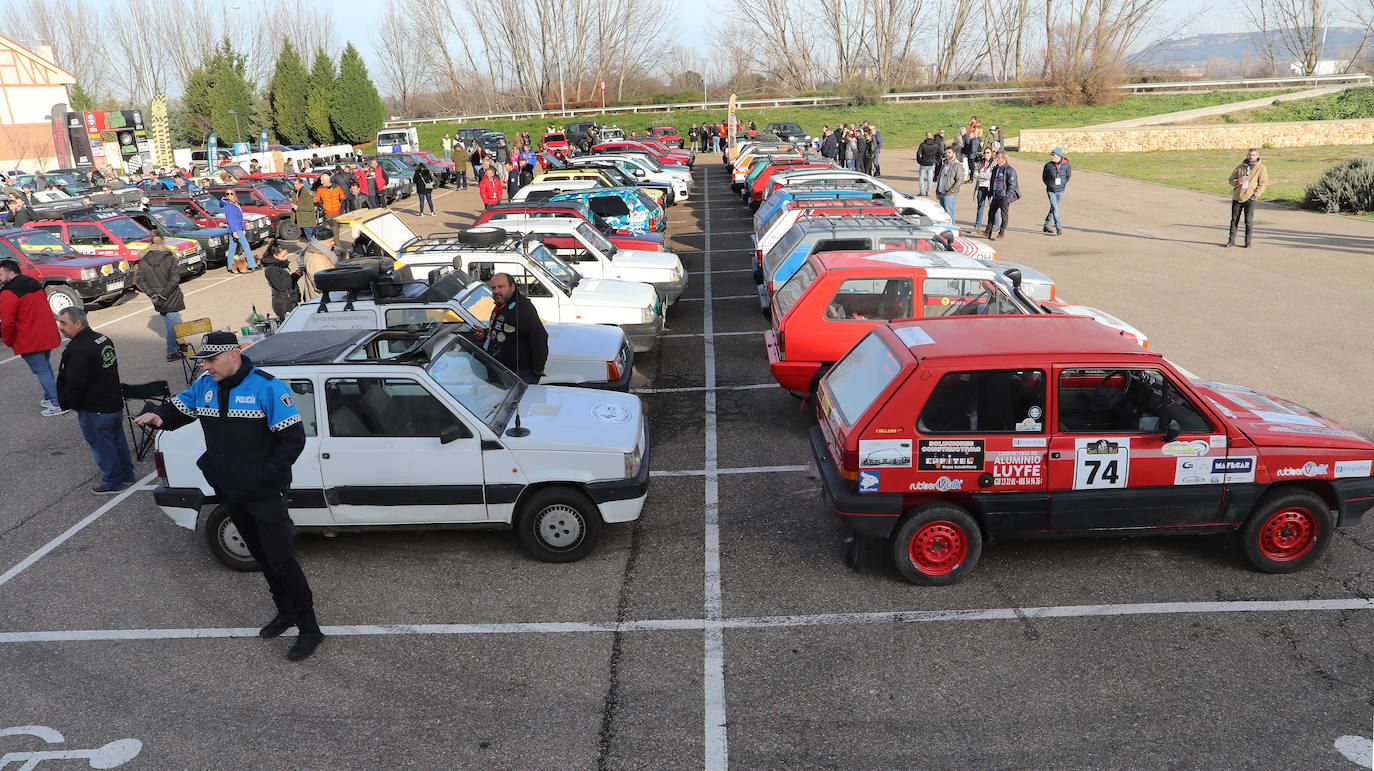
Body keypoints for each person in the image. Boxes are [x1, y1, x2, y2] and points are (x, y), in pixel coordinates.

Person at [134, 331, 322, 660]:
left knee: (282, 561)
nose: (206, 367)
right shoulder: (205, 385)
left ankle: (310, 629)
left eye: (211, 360)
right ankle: (285, 612)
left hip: (264, 493)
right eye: (203, 361)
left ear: (233, 355)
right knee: (262, 558)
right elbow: (180, 408)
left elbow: (292, 439)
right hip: (230, 491)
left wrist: (265, 477)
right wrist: (159, 415)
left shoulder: (268, 387)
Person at [55, 307, 135, 493]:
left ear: (78, 323)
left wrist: (70, 404)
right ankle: (127, 475)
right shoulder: (103, 339)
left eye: (63, 323)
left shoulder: (77, 350)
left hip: (95, 409)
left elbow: (75, 384)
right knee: (118, 440)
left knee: (102, 446)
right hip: (113, 404)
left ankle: (113, 482)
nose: (60, 327)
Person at [0, 259, 65, 416]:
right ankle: (50, 397)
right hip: (46, 334)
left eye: (1, 274)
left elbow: (7, 322)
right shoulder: (33, 283)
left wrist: (8, 340)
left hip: (29, 338)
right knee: (45, 368)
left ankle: (58, 403)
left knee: (42, 371)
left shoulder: (9, 293)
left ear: (11, 272)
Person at [473, 273, 547, 384]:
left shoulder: (522, 307)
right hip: (500, 372)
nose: (496, 291)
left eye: (501, 286)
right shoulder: (502, 305)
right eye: (493, 288)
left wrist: (538, 368)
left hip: (518, 376)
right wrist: (486, 334)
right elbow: (505, 331)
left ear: (512, 287)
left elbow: (540, 337)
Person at [134, 234, 187, 361]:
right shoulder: (170, 259)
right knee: (173, 325)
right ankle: (171, 351)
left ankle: (179, 344)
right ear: (163, 243)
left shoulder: (143, 260)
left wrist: (152, 294)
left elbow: (140, 280)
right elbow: (175, 279)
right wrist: (163, 295)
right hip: (170, 297)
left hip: (156, 298)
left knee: (170, 322)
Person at [1226, 148, 1268, 248]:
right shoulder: (1240, 167)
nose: (1251, 157)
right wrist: (1237, 182)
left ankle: (1247, 241)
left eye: (1253, 155)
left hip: (1250, 198)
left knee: (1248, 221)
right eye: (1249, 155)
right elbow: (1231, 179)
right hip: (1238, 197)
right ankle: (1231, 240)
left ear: (1257, 156)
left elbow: (1263, 183)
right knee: (1234, 220)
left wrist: (1255, 195)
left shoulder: (1261, 168)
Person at [984, 150, 1020, 241]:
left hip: (1003, 197)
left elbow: (1012, 184)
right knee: (991, 213)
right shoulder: (996, 168)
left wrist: (1006, 195)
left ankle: (1001, 234)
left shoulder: (1009, 170)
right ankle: (988, 232)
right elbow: (992, 181)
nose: (996, 159)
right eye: (996, 157)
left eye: (998, 157)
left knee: (1004, 216)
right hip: (995, 195)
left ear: (1004, 158)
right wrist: (991, 192)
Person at [260, 240, 301, 319]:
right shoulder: (271, 269)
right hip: (283, 302)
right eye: (283, 256)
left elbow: (287, 279)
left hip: (290, 299)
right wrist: (294, 277)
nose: (286, 258)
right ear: (275, 255)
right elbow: (282, 286)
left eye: (286, 255)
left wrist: (298, 273)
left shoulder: (281, 265)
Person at [297, 227, 338, 302]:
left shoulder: (322, 253)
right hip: (322, 301)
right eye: (330, 241)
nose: (333, 243)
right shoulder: (316, 258)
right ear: (320, 242)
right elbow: (320, 284)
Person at [222, 192, 257, 273]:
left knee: (232, 248)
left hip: (238, 228)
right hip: (235, 228)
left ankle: (231, 267)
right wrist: (234, 231)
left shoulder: (235, 204)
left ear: (234, 194)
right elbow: (231, 220)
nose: (230, 195)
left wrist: (243, 228)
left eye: (231, 193)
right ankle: (252, 265)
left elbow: (240, 219)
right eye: (228, 194)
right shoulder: (228, 206)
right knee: (246, 246)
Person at [1042, 148, 1071, 236]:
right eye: (1051, 154)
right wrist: (1049, 185)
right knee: (1055, 209)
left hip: (1061, 190)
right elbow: (1044, 177)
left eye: (1053, 155)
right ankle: (1058, 227)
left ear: (1058, 156)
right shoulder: (1048, 165)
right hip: (1051, 190)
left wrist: (1062, 184)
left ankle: (1047, 225)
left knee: (1054, 208)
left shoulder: (1066, 165)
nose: (1051, 156)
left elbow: (1068, 176)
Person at [971, 147, 996, 234]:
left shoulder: (994, 163)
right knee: (980, 207)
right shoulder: (980, 162)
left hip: (989, 187)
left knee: (992, 207)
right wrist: (981, 176)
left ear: (991, 153)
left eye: (988, 152)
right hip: (980, 187)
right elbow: (974, 174)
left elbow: (990, 176)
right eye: (985, 152)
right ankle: (977, 225)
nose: (986, 154)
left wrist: (980, 175)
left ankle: (995, 225)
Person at [936, 147, 962, 222]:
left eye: (949, 152)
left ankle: (953, 231)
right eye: (946, 152)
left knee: (949, 214)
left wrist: (951, 191)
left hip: (949, 194)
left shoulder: (957, 165)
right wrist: (937, 191)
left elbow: (959, 180)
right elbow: (940, 178)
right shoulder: (944, 163)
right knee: (943, 215)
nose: (947, 154)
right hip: (941, 192)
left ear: (954, 153)